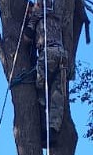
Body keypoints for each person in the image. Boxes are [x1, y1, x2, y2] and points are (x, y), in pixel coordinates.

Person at [23, 0, 71, 143]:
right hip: (62, 55)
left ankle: (44, 127)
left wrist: (31, 21)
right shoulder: (54, 15)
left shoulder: (37, 16)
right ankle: (53, 130)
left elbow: (26, 39)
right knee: (57, 93)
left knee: (40, 88)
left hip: (48, 53)